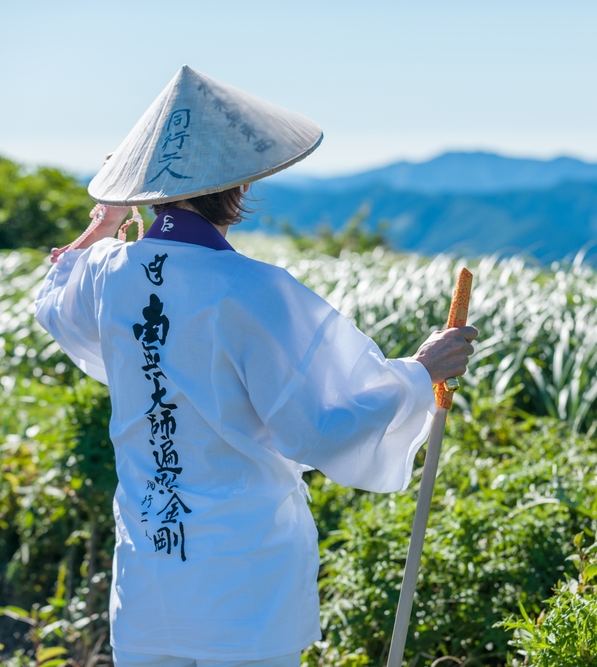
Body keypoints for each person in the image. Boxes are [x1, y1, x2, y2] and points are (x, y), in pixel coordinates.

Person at [34, 66, 477, 667]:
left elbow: (55, 295)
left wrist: (105, 221)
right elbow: (319, 426)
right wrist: (421, 371)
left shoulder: (109, 273)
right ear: (239, 185)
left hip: (148, 577)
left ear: (146, 189)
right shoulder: (254, 291)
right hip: (243, 575)